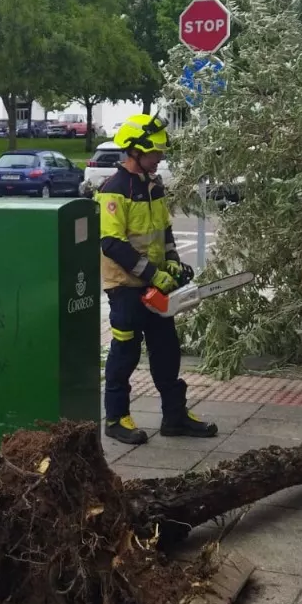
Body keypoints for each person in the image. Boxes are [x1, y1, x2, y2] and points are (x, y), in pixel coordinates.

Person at [98, 112, 218, 444]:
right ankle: (117, 418)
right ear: (135, 151)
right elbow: (111, 243)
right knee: (125, 352)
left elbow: (163, 231)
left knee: (166, 350)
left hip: (155, 284)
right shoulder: (113, 190)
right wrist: (152, 273)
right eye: (155, 152)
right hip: (124, 288)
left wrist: (173, 264)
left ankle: (175, 416)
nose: (160, 157)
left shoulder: (154, 187)